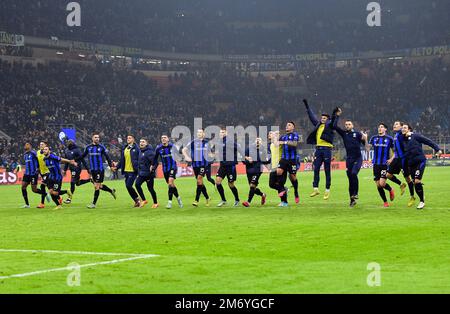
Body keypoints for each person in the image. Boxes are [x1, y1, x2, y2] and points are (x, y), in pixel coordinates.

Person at [303, 99, 338, 200]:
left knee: (327, 170)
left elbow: (334, 120)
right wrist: (307, 106)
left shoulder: (330, 126)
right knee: (316, 168)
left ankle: (327, 190)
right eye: (322, 118)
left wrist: (334, 113)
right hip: (318, 150)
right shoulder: (318, 125)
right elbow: (311, 116)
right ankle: (315, 188)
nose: (322, 119)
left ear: (328, 119)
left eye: (324, 118)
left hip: (327, 150)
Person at [401, 123, 442, 210]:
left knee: (416, 181)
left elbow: (428, 141)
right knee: (416, 183)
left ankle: (422, 201)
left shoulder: (415, 136)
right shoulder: (403, 140)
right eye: (402, 128)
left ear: (409, 129)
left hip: (420, 161)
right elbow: (404, 154)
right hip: (411, 164)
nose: (403, 129)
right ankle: (421, 196)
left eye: (405, 127)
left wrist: (438, 149)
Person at [332, 110, 368, 207]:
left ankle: (356, 193)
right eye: (346, 124)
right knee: (350, 179)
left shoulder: (358, 134)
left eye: (349, 124)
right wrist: (337, 116)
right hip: (349, 159)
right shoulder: (344, 134)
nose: (347, 126)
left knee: (353, 173)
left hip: (358, 158)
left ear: (352, 125)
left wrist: (366, 139)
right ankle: (352, 200)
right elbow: (334, 126)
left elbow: (367, 148)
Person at [76, 133, 117, 209]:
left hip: (100, 170)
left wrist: (111, 166)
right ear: (92, 138)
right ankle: (111, 191)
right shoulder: (88, 147)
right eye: (95, 137)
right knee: (100, 186)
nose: (97, 138)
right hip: (93, 170)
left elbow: (107, 157)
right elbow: (82, 156)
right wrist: (74, 160)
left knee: (96, 186)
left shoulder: (101, 147)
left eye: (98, 137)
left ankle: (93, 204)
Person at [366, 123, 396, 207]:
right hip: (376, 164)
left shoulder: (389, 139)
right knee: (378, 185)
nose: (379, 128)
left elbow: (395, 151)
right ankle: (385, 202)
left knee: (382, 184)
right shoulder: (373, 138)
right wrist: (365, 139)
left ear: (385, 129)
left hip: (384, 164)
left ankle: (390, 189)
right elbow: (368, 148)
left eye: (382, 127)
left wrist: (391, 159)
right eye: (379, 127)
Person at [214, 128, 244, 207]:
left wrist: (244, 156)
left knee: (231, 184)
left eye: (223, 132)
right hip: (223, 165)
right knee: (217, 182)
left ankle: (237, 199)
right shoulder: (219, 142)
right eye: (220, 132)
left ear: (226, 133)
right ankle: (223, 200)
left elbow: (239, 148)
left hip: (230, 166)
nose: (221, 133)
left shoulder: (230, 141)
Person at [387, 121, 415, 206]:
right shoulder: (395, 135)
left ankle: (412, 197)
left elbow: (410, 136)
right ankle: (401, 184)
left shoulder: (402, 134)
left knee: (408, 179)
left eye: (396, 124)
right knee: (388, 175)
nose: (394, 125)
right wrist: (392, 158)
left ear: (402, 127)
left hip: (403, 160)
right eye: (394, 124)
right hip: (396, 159)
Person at [182, 128, 211, 207]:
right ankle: (207, 198)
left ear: (203, 134)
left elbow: (209, 153)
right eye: (198, 132)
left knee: (199, 180)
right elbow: (184, 150)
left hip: (203, 165)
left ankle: (196, 200)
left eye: (200, 132)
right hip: (195, 165)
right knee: (200, 182)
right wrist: (187, 157)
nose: (199, 133)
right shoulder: (193, 142)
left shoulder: (207, 143)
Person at [153, 135, 183, 209]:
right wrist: (153, 166)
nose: (163, 139)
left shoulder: (173, 146)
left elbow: (179, 154)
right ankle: (178, 198)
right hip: (165, 169)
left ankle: (169, 202)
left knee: (170, 182)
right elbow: (155, 159)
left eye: (165, 138)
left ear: (168, 139)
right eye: (162, 138)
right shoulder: (158, 148)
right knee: (171, 185)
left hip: (173, 167)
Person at [42, 145, 75, 210]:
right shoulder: (44, 159)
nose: (44, 150)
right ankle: (58, 205)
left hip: (57, 178)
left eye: (46, 149)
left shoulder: (53, 157)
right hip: (51, 177)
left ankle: (66, 191)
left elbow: (61, 159)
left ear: (49, 151)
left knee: (55, 193)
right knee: (51, 192)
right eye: (44, 149)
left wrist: (69, 161)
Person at [277, 122, 300, 206]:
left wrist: (285, 142)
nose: (287, 126)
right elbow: (276, 143)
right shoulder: (283, 137)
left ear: (293, 127)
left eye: (289, 125)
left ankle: (296, 192)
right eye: (286, 125)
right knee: (278, 172)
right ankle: (283, 189)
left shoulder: (295, 135)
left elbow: (295, 144)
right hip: (284, 159)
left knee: (292, 177)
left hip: (292, 160)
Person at [242, 137, 267, 207]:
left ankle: (248, 202)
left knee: (252, 185)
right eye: (257, 140)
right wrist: (248, 160)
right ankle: (263, 194)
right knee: (252, 187)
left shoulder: (263, 150)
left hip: (258, 170)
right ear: (254, 141)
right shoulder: (248, 148)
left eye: (260, 140)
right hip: (249, 170)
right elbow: (243, 159)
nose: (258, 141)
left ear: (261, 142)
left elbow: (265, 160)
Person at [63, 140, 90, 204]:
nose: (69, 143)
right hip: (72, 169)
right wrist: (65, 170)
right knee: (77, 183)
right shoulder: (66, 150)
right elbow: (67, 161)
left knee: (72, 182)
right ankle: (89, 180)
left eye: (70, 142)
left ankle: (69, 198)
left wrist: (87, 169)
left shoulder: (77, 150)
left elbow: (82, 159)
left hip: (77, 168)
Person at [117, 135, 141, 207]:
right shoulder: (125, 148)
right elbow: (122, 159)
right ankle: (136, 201)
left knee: (129, 185)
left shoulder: (137, 148)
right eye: (127, 138)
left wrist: (139, 168)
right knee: (127, 187)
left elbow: (140, 159)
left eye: (130, 138)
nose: (128, 139)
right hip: (126, 171)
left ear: (133, 139)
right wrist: (117, 167)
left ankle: (138, 199)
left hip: (133, 171)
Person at [20, 143, 46, 208]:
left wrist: (38, 169)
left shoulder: (33, 153)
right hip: (26, 174)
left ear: (30, 146)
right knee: (23, 187)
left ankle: (44, 193)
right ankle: (27, 204)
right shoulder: (25, 155)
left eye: (27, 144)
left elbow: (39, 161)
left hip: (33, 174)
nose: (25, 145)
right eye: (25, 144)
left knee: (34, 190)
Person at [135, 138, 158, 208]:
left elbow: (155, 162)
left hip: (149, 174)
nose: (141, 143)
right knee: (137, 184)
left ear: (146, 143)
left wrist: (153, 168)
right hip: (142, 173)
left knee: (150, 189)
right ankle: (144, 200)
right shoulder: (140, 151)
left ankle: (155, 203)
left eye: (143, 142)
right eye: (140, 142)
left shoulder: (150, 152)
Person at [268, 130, 287, 206]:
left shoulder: (279, 143)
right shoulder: (271, 145)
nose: (269, 134)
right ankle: (285, 190)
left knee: (280, 184)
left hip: (280, 166)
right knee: (271, 184)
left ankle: (284, 202)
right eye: (269, 133)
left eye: (270, 133)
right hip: (273, 167)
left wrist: (276, 136)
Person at [36, 141, 52, 208]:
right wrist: (38, 170)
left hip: (48, 172)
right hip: (42, 172)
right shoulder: (38, 152)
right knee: (50, 188)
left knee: (42, 186)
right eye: (40, 144)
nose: (41, 145)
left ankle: (42, 203)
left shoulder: (48, 152)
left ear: (46, 145)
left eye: (42, 144)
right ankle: (59, 198)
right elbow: (38, 162)